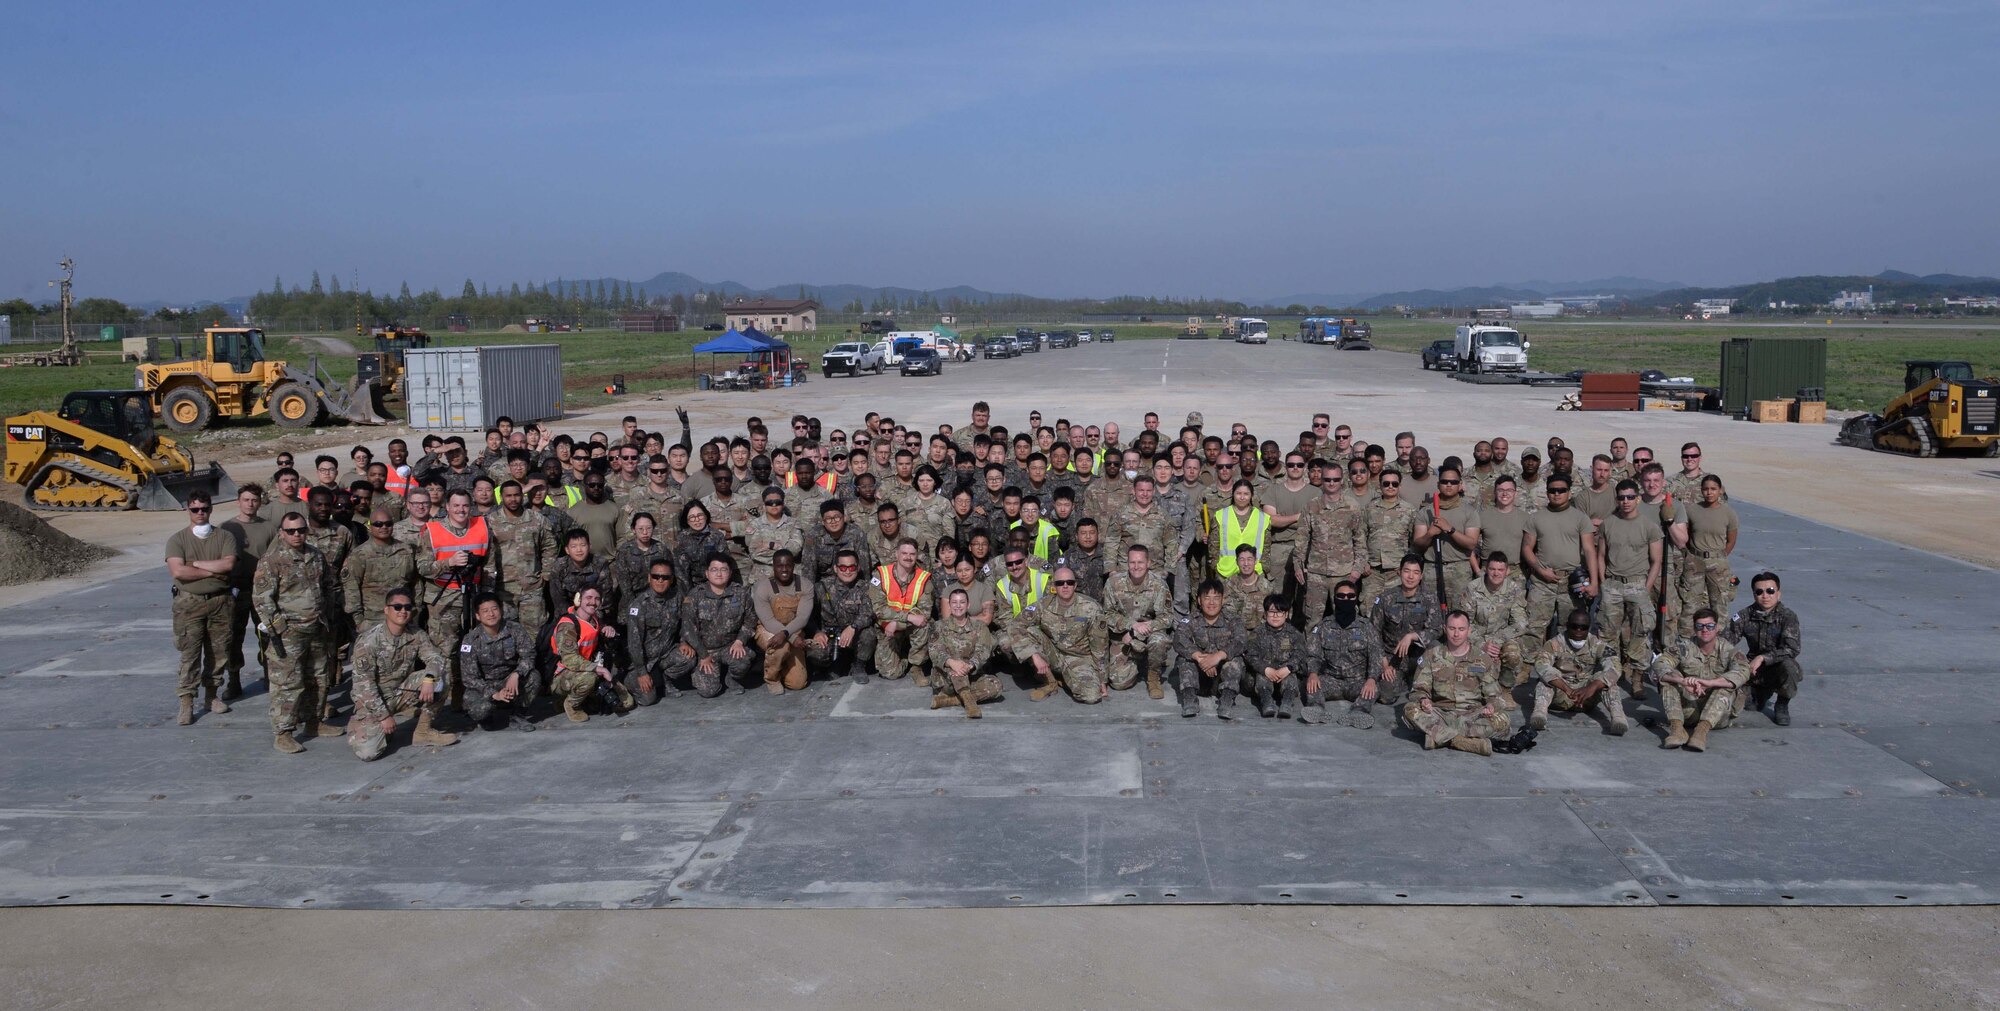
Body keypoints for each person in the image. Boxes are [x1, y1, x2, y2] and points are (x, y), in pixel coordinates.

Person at [252, 514, 335, 752]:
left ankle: (314, 721)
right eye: (291, 531)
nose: (296, 534)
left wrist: (327, 617)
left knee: (318, 678)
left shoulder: (315, 555)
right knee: (287, 683)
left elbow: (327, 587)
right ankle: (283, 732)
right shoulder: (272, 560)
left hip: (317, 627)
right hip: (289, 632)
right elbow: (262, 599)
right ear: (281, 533)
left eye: (300, 530)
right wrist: (280, 629)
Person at [347, 587, 460, 759]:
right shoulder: (369, 641)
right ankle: (370, 726)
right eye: (397, 607)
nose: (403, 611)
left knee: (440, 678)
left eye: (407, 607)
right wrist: (383, 716)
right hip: (374, 699)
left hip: (400, 691)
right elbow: (364, 686)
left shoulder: (416, 634)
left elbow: (436, 658)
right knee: (368, 753)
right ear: (386, 610)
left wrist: (429, 679)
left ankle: (423, 731)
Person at [1404, 611, 1531, 756]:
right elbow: (1419, 689)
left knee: (1503, 720)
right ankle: (1461, 742)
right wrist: (1423, 699)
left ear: (1469, 630)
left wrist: (1491, 706)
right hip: (1441, 713)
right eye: (1452, 629)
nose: (1456, 634)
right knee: (1410, 709)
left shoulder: (1482, 659)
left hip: (1473, 715)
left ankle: (1440, 737)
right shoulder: (1431, 655)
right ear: (1445, 629)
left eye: (1461, 629)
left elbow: (1495, 696)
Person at [165, 491, 238, 726]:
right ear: (188, 510)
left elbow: (228, 564)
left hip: (220, 602)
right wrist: (211, 571)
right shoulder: (177, 540)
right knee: (190, 654)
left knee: (219, 653)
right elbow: (178, 571)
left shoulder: (224, 537)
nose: (200, 513)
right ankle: (186, 701)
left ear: (210, 509)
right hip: (189, 603)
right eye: (195, 509)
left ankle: (212, 696)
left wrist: (193, 564)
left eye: (204, 508)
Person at [1649, 607, 1751, 752]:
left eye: (1710, 626)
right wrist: (1682, 681)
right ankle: (1677, 729)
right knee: (1668, 680)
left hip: (1718, 715)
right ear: (1694, 628)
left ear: (1717, 628)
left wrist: (1710, 683)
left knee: (1725, 686)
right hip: (1690, 708)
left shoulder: (1728, 650)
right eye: (1700, 626)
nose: (1705, 630)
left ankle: (1701, 732)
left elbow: (1743, 671)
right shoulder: (1684, 647)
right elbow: (1660, 664)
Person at [1597, 478, 1664, 691]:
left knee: (1641, 633)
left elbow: (1656, 561)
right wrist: (1602, 583)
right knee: (1608, 633)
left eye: (1630, 497)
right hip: (1613, 584)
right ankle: (1610, 674)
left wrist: (1646, 587)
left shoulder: (1649, 526)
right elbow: (1601, 555)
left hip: (1637, 584)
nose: (1625, 501)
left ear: (1637, 499)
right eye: (1621, 497)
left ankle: (1637, 678)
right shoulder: (1608, 523)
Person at [1520, 475, 1597, 638]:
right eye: (1552, 490)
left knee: (1570, 628)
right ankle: (1531, 662)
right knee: (1534, 628)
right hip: (1542, 582)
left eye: (1561, 490)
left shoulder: (1580, 518)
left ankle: (1565, 662)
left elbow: (1589, 550)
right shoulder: (1536, 517)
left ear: (1569, 493)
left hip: (1571, 582)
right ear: (1547, 493)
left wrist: (1595, 582)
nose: (1557, 494)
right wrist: (1540, 571)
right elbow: (1527, 548)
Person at [1532, 608, 1630, 736]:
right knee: (1545, 681)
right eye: (1574, 626)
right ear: (1567, 626)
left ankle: (1618, 718)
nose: (1578, 631)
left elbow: (1615, 667)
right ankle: (1539, 714)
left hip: (1587, 696)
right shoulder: (1554, 643)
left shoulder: (1598, 645)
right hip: (1561, 694)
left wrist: (1592, 686)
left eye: (1583, 628)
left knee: (1607, 681)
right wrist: (1566, 688)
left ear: (1588, 628)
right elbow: (1541, 665)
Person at [1020, 565, 1110, 703]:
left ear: (1075, 585)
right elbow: (1017, 625)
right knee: (1028, 631)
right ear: (1054, 587)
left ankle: (1065, 679)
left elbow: (1100, 646)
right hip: (1053, 654)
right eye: (1060, 583)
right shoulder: (1044, 604)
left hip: (1079, 658)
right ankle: (1050, 680)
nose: (1065, 586)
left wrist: (1102, 679)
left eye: (1070, 582)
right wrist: (1034, 655)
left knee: (1092, 696)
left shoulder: (1091, 607)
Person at [219, 484, 274, 700]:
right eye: (246, 499)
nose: (250, 504)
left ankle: (271, 676)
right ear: (238, 501)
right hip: (236, 589)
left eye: (254, 500)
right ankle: (234, 681)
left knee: (267, 634)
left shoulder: (268, 528)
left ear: (260, 502)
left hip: (261, 590)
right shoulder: (226, 528)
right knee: (233, 637)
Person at [1728, 571, 1803, 726]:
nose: (1765, 596)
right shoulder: (1744, 615)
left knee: (1790, 667)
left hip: (1777, 667)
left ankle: (1782, 704)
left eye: (1770, 591)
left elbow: (1792, 649)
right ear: (1754, 594)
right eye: (1759, 592)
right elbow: (1726, 641)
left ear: (1778, 593)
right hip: (1752, 670)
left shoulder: (1788, 617)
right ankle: (1759, 694)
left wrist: (1763, 658)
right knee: (1744, 705)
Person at [548, 585, 633, 721]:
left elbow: (594, 629)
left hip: (585, 668)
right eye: (588, 598)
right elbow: (569, 659)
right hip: (562, 675)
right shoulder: (568, 625)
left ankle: (581, 700)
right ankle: (570, 705)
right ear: (579, 600)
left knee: (627, 701)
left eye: (597, 599)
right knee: (589, 679)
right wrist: (599, 669)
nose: (593, 602)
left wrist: (607, 628)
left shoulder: (594, 619)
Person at [458, 592, 539, 731]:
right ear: (478, 616)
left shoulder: (515, 629)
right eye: (485, 611)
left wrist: (516, 674)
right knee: (478, 708)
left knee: (533, 676)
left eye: (494, 609)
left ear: (501, 610)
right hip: (484, 686)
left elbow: (529, 655)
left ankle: (518, 716)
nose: (491, 614)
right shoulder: (470, 640)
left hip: (509, 681)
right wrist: (493, 694)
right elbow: (469, 678)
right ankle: (486, 718)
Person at [681, 553, 758, 697]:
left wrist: (740, 640)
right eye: (714, 570)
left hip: (730, 646)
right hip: (705, 651)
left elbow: (751, 619)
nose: (719, 574)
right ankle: (704, 674)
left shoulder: (740, 593)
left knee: (744, 660)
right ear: (707, 573)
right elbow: (688, 629)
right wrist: (703, 655)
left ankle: (731, 678)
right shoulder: (695, 595)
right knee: (708, 692)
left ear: (729, 573)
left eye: (723, 569)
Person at [1101, 544, 1173, 698]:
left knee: (1159, 641)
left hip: (1148, 633)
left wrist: (1142, 629)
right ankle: (1139, 661)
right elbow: (1107, 614)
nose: (1136, 566)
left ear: (1148, 563)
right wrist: (1132, 626)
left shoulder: (1159, 585)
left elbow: (1167, 617)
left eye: (1140, 562)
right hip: (1123, 636)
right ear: (1127, 563)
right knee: (1119, 683)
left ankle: (1153, 677)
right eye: (1132, 562)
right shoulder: (1113, 583)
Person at [625, 559, 697, 703]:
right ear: (649, 578)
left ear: (671, 580)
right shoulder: (639, 605)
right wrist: (642, 672)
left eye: (665, 577)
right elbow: (634, 643)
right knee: (648, 700)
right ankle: (628, 683)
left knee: (688, 657)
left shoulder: (677, 597)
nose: (660, 580)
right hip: (643, 662)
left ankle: (665, 682)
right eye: (655, 576)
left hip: (665, 654)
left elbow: (685, 622)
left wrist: (683, 641)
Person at [1371, 554, 1440, 704]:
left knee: (1436, 647)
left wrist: (1412, 636)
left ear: (1421, 576)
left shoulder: (1429, 598)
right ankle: (1403, 680)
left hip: (1419, 656)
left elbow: (1435, 629)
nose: (1410, 576)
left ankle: (1418, 678)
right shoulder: (1385, 598)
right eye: (1406, 571)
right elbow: (1373, 634)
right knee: (1386, 696)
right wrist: (1384, 665)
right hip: (1393, 658)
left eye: (1415, 572)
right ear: (1399, 572)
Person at [1459, 552, 1531, 697]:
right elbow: (1464, 623)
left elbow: (1521, 623)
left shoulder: (1514, 589)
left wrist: (1497, 641)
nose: (1496, 573)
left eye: (1500, 570)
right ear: (1486, 569)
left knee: (1512, 653)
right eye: (1492, 569)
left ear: (1507, 571)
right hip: (1475, 639)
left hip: (1501, 639)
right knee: (1471, 672)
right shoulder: (1472, 588)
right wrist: (1481, 643)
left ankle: (1505, 690)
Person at [1172, 580, 1244, 718]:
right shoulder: (1190, 620)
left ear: (1223, 600)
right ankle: (1189, 699)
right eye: (1207, 598)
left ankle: (1227, 700)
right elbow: (1179, 639)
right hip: (1197, 676)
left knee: (1236, 660)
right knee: (1184, 658)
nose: (1212, 603)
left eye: (1216, 598)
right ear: (1199, 600)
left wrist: (1218, 656)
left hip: (1221, 677)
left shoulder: (1233, 620)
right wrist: (1199, 657)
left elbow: (1241, 641)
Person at [926, 587, 1003, 717]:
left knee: (996, 686)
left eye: (962, 602)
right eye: (954, 602)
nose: (958, 606)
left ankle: (951, 700)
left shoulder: (979, 626)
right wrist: (951, 663)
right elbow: (934, 650)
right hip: (946, 677)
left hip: (971, 674)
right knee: (957, 670)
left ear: (968, 605)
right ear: (949, 605)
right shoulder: (939, 626)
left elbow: (984, 650)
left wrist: (970, 665)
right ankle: (969, 703)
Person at [342, 508, 419, 637]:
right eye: (378, 524)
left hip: (402, 616)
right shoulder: (360, 554)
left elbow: (415, 583)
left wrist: (416, 610)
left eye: (388, 524)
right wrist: (359, 621)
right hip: (371, 619)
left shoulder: (406, 550)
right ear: (370, 526)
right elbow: (351, 588)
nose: (384, 527)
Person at [868, 538, 936, 683]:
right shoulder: (880, 575)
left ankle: (916, 666)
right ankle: (906, 659)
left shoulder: (923, 578)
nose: (908, 557)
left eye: (912, 554)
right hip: (887, 628)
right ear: (896, 554)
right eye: (904, 553)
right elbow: (878, 609)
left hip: (910, 628)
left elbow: (924, 613)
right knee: (890, 673)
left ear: (916, 555)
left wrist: (898, 623)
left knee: (926, 625)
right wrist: (907, 618)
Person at [1678, 474, 1739, 634]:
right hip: (1695, 561)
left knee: (1719, 603)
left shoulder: (1728, 513)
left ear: (1720, 491)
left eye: (1713, 489)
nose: (1709, 492)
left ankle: (1719, 641)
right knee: (1690, 604)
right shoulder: (1692, 510)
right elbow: (1687, 534)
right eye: (1705, 489)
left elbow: (1731, 540)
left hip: (1718, 562)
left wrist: (1720, 556)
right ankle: (1686, 641)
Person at [807, 549, 877, 683]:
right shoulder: (821, 587)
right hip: (829, 635)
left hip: (854, 635)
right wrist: (816, 631)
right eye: (843, 567)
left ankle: (858, 666)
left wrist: (853, 627)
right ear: (835, 568)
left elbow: (868, 613)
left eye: (852, 567)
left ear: (858, 567)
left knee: (869, 635)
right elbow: (807, 614)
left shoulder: (865, 587)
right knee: (815, 651)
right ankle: (830, 666)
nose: (848, 571)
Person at [752, 549, 815, 693]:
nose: (784, 569)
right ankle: (772, 679)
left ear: (793, 566)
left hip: (793, 629)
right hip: (769, 630)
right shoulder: (762, 588)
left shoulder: (806, 585)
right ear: (773, 567)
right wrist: (791, 637)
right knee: (780, 646)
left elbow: (803, 617)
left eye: (788, 565)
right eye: (780, 566)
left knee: (798, 684)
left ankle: (782, 667)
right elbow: (767, 620)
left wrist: (788, 633)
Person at [1243, 593, 1307, 720]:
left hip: (1285, 675)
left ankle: (1287, 703)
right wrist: (1265, 669)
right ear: (1265, 614)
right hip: (1263, 679)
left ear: (1286, 614)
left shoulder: (1294, 634)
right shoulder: (1257, 633)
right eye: (1272, 612)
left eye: (1280, 612)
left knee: (1292, 676)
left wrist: (1288, 668)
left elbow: (1300, 654)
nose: (1276, 616)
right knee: (1262, 676)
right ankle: (1267, 703)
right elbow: (1250, 655)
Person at [1360, 468, 1417, 601]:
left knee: (1397, 609)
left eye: (1394, 484)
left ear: (1399, 486)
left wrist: (1406, 566)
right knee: (1369, 608)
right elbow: (1360, 537)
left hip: (1397, 571)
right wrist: (1363, 562)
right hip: (1372, 571)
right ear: (1380, 485)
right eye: (1386, 484)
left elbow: (1414, 541)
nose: (1390, 486)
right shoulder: (1369, 508)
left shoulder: (1409, 510)